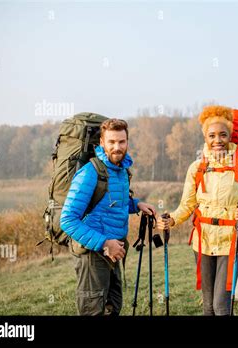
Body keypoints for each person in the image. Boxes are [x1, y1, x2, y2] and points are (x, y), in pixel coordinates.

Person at [157, 105, 238, 315]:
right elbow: (186, 206)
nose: (217, 140)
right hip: (202, 242)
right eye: (212, 135)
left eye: (223, 135)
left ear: (230, 136)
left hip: (231, 242)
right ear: (205, 137)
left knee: (221, 306)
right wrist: (171, 220)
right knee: (208, 307)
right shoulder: (196, 168)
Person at [61, 118, 156, 316]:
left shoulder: (120, 171)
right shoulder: (90, 173)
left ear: (127, 142)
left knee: (113, 306)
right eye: (111, 142)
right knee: (93, 311)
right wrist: (105, 243)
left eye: (121, 142)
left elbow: (111, 204)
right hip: (94, 253)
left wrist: (136, 204)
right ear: (102, 143)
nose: (117, 147)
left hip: (114, 250)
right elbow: (68, 220)